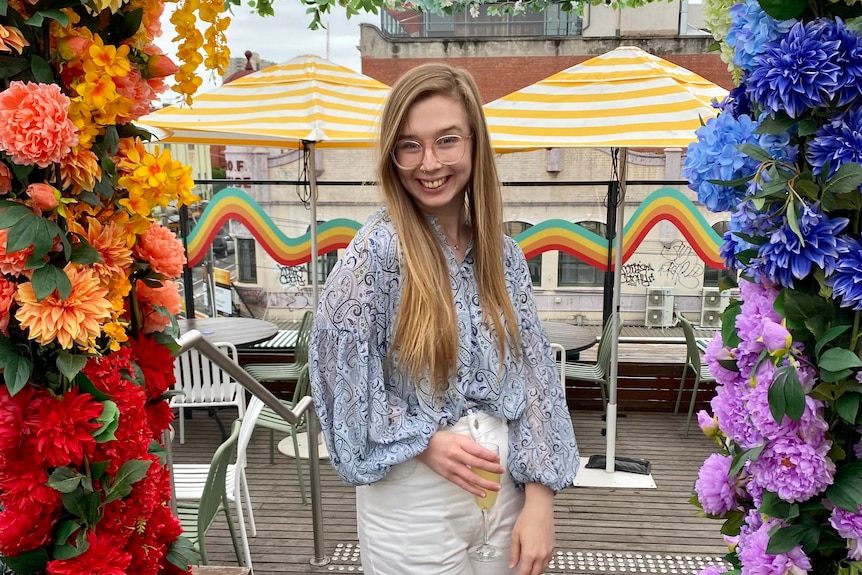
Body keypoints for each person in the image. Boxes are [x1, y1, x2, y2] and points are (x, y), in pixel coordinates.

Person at [309, 62, 579, 575]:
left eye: (446, 140)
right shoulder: (375, 255)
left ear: (475, 144)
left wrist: (541, 500)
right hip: (414, 497)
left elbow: (536, 375)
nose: (428, 162)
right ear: (392, 155)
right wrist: (421, 439)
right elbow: (338, 383)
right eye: (410, 145)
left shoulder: (503, 257)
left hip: (505, 494)